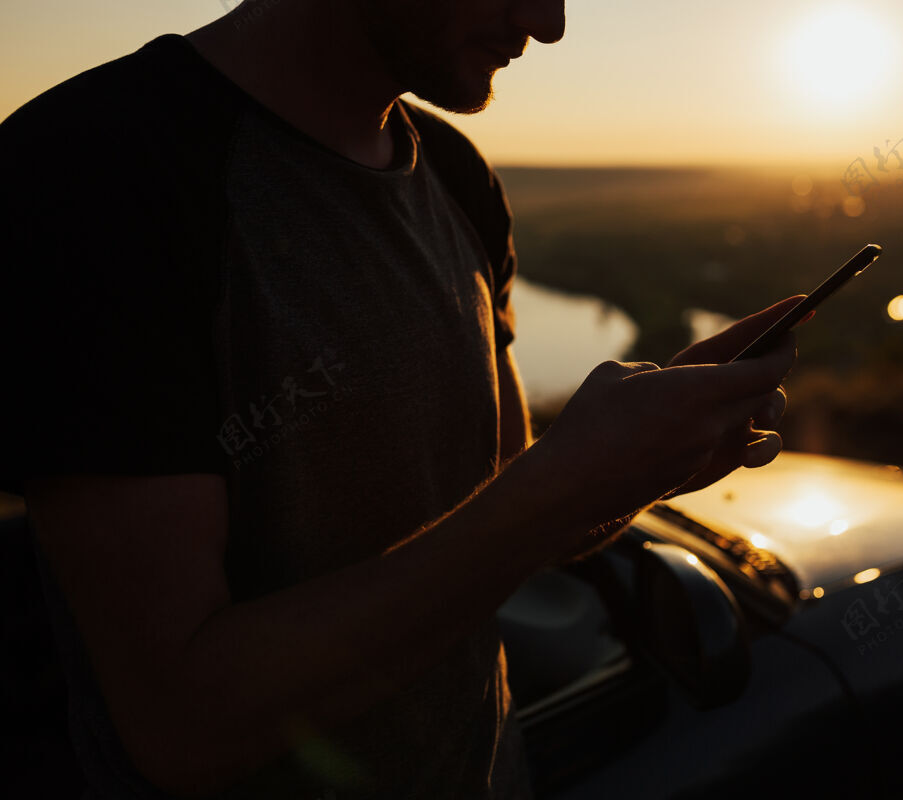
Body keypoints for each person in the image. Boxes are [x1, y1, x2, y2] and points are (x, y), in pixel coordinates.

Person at [0, 1, 800, 797]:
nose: (551, 24)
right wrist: (559, 491)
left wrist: (639, 466)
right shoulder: (88, 176)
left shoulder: (455, 173)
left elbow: (506, 517)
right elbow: (183, 727)